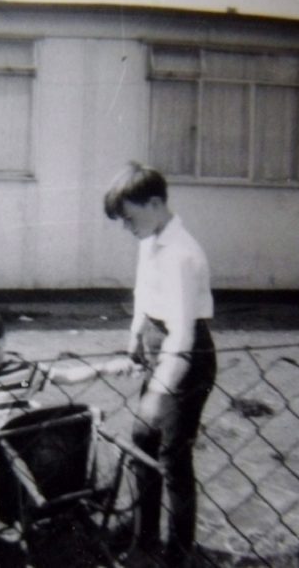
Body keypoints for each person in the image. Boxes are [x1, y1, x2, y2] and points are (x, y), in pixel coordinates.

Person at [0, 305, 132, 539]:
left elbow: (63, 376)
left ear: (5, 339)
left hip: (10, 456)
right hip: (3, 455)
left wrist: (103, 368)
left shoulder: (21, 376)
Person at [103, 161, 217, 568]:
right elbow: (142, 289)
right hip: (157, 347)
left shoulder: (181, 255)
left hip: (185, 362)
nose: (126, 228)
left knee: (172, 457)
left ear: (154, 203)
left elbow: (183, 335)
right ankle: (144, 534)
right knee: (142, 443)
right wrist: (135, 335)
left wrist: (160, 390)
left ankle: (178, 552)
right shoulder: (149, 239)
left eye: (129, 218)